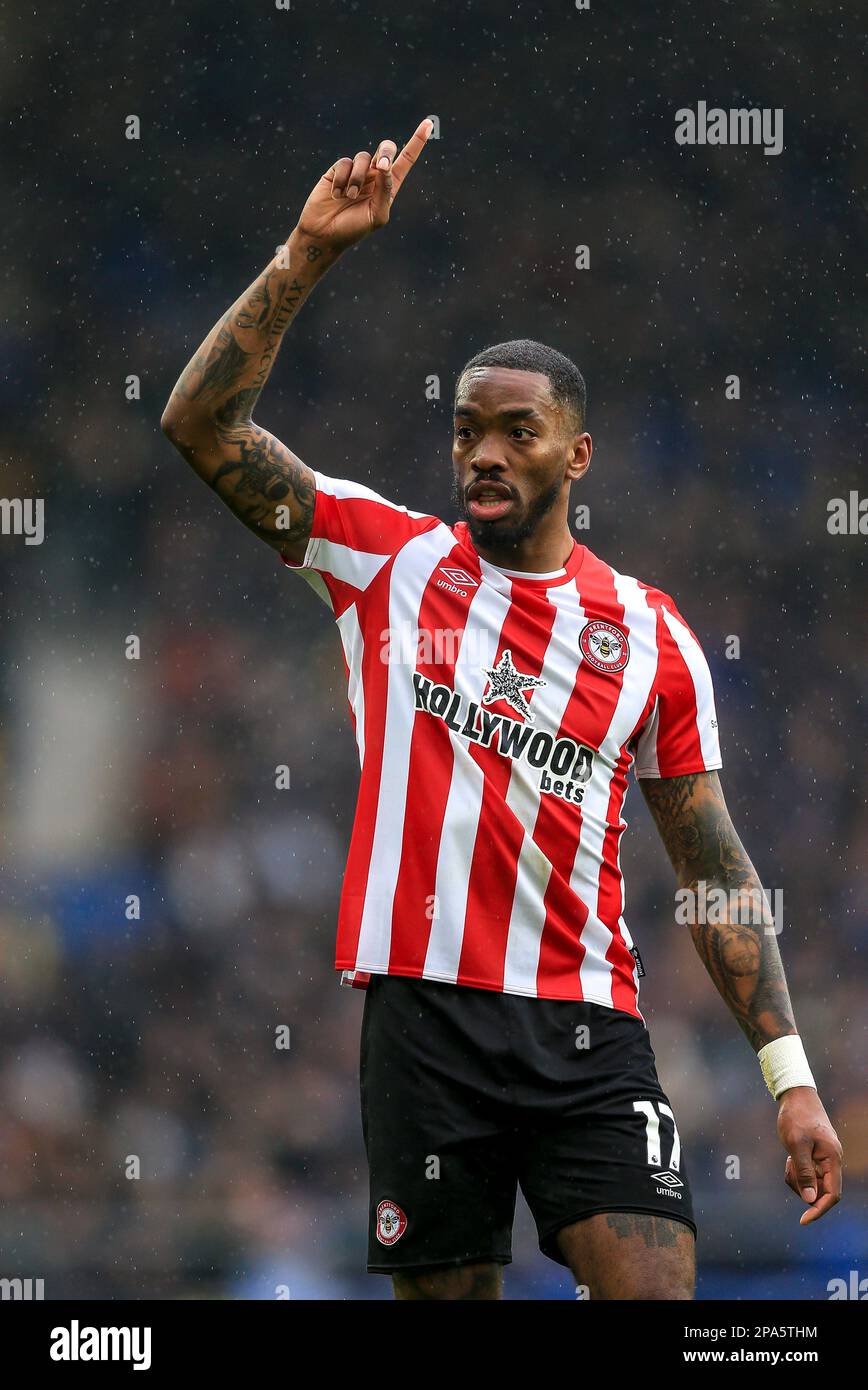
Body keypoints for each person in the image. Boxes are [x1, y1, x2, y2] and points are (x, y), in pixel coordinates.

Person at [160, 119, 843, 1300]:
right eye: (467, 428)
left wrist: (788, 1075)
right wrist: (305, 257)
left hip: (587, 1030)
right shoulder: (389, 561)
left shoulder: (651, 635)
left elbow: (714, 864)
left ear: (577, 455)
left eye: (516, 431)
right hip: (422, 1028)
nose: (483, 451)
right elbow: (199, 428)